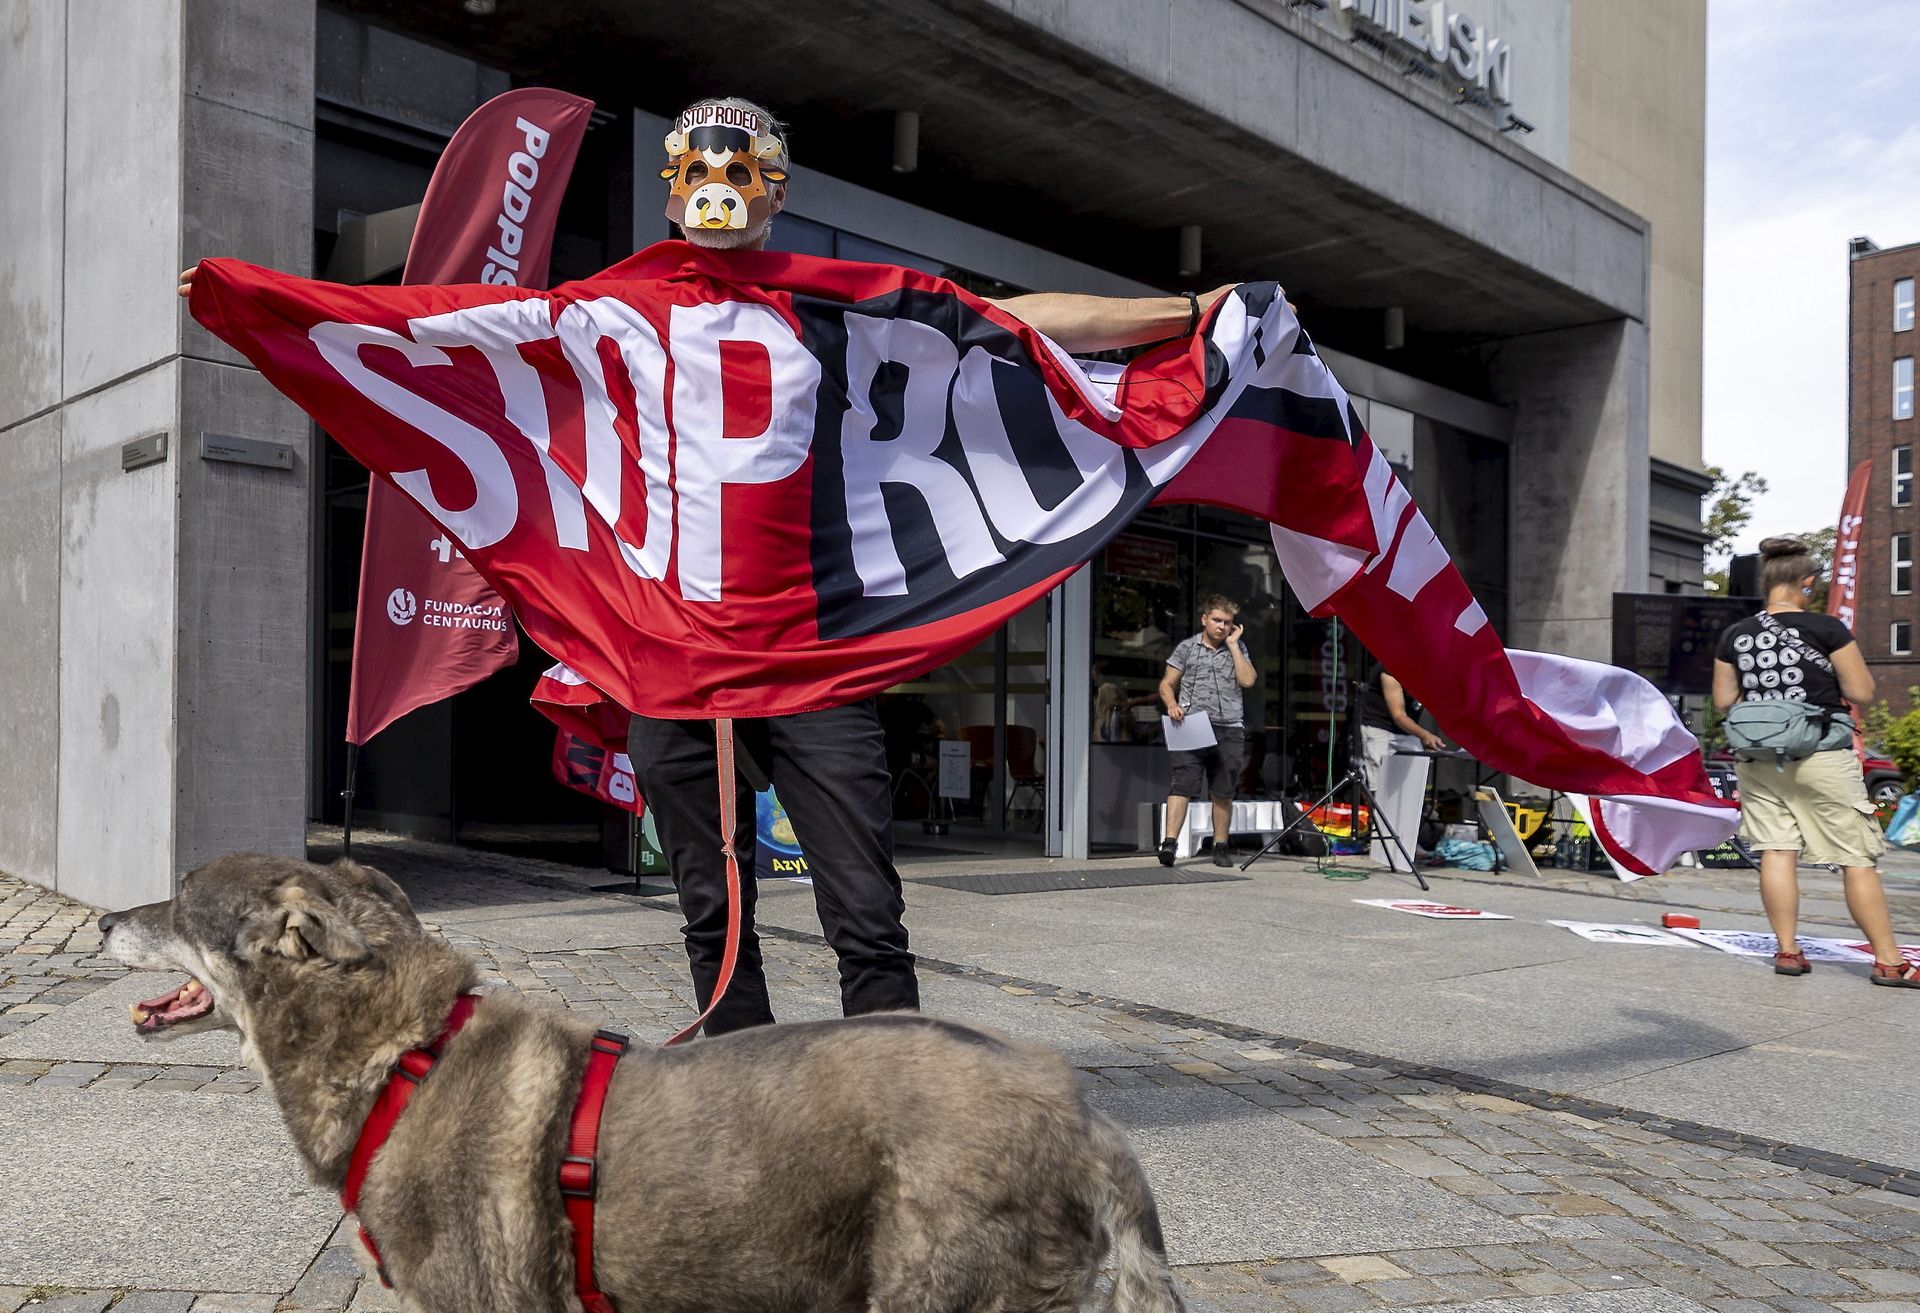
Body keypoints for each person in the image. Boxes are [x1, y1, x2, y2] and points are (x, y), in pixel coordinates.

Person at [1711, 535, 1919, 988]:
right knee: (1855, 858)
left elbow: (1725, 700)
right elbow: (1862, 692)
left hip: (1759, 758)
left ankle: (1787, 950)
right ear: (1807, 581)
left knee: (1777, 851)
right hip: (1822, 754)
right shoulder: (1826, 629)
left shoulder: (1735, 634)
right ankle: (1888, 962)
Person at [1157, 594, 1258, 867]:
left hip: (1229, 727)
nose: (1222, 627)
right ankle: (1169, 844)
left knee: (1223, 790)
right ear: (1205, 619)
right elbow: (1166, 684)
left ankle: (1221, 846)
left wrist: (1235, 646)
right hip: (1191, 724)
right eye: (1217, 620)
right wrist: (1172, 704)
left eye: (1227, 622)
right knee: (1182, 784)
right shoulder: (1187, 648)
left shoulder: (1238, 648)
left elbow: (1248, 681)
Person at [1356, 662, 1445, 794]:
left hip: (1406, 731)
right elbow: (1399, 715)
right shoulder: (1391, 667)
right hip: (1379, 728)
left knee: (1415, 780)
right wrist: (1425, 736)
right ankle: (1375, 812)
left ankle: (1409, 812)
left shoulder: (1429, 671)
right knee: (1378, 787)